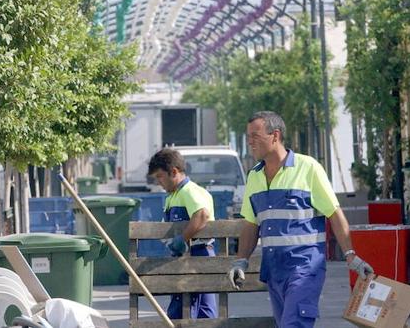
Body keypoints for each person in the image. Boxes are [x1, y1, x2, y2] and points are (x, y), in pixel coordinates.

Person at [228, 111, 373, 327]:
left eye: (255, 136)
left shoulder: (308, 168)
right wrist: (241, 260)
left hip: (305, 268)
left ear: (275, 136)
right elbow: (251, 223)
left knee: (293, 324)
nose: (250, 142)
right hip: (274, 271)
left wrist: (350, 255)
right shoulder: (255, 176)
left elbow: (334, 213)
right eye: (248, 136)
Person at [148, 148, 218, 320]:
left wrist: (182, 238)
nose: (159, 182)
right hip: (187, 257)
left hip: (197, 255)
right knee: (193, 310)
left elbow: (202, 215)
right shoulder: (173, 196)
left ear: (173, 172)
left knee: (191, 311)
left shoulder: (189, 191)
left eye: (160, 176)